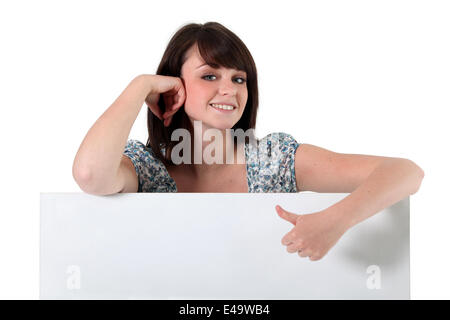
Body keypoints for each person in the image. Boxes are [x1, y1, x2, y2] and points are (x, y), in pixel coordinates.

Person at [72, 22, 424, 261]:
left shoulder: (273, 160)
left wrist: (336, 220)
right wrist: (139, 87)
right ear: (171, 83)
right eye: (209, 75)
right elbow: (90, 175)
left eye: (239, 79)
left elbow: (405, 172)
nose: (229, 89)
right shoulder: (146, 168)